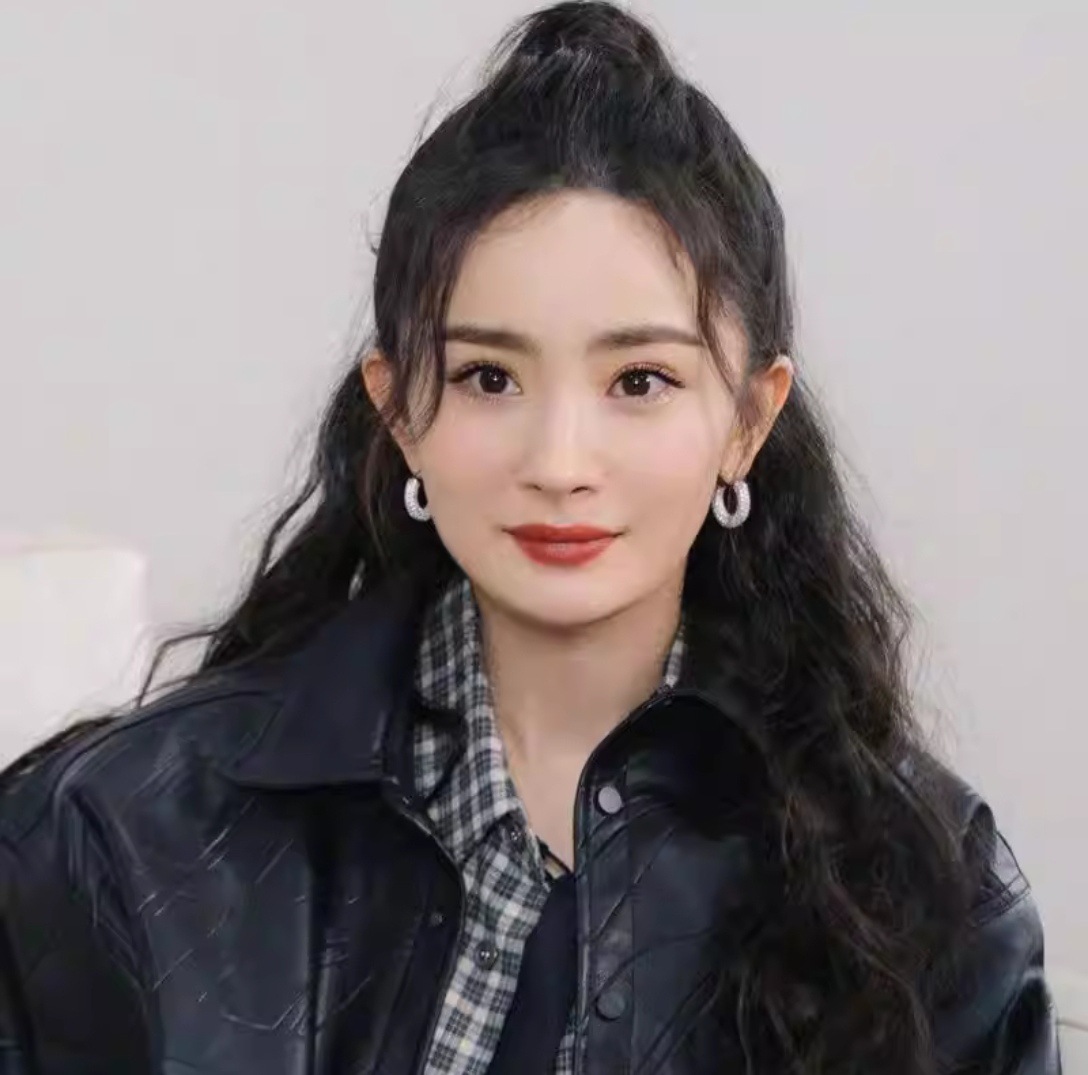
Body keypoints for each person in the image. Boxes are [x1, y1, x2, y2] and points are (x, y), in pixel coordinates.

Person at [0, 3, 1060, 1073]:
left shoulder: (926, 902)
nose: (559, 459)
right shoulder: (114, 838)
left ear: (748, 418)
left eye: (638, 380)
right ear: (399, 408)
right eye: (487, 377)